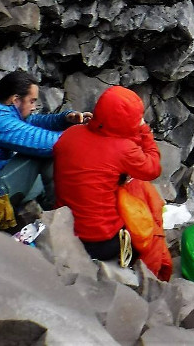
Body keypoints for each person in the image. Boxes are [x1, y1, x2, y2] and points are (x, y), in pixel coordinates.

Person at [0, 70, 90, 220]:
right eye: (32, 101)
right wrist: (85, 133)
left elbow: (33, 122)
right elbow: (49, 142)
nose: (34, 107)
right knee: (45, 154)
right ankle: (62, 216)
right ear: (15, 100)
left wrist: (65, 119)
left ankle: (51, 207)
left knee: (43, 160)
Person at [53, 85, 161, 262]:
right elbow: (153, 168)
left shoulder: (70, 133)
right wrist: (144, 130)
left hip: (65, 225)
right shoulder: (125, 150)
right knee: (141, 190)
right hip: (101, 241)